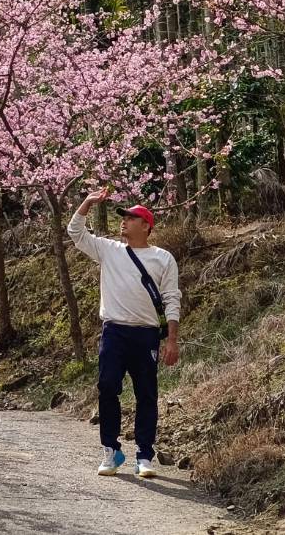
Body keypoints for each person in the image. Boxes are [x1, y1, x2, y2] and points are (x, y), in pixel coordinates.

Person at [68, 188, 182, 480]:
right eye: (123, 218)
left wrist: (171, 339)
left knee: (146, 394)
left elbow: (172, 298)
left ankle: (144, 455)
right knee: (107, 386)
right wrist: (88, 203)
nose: (124, 222)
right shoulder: (110, 250)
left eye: (131, 218)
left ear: (146, 226)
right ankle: (111, 450)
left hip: (145, 335)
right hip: (114, 331)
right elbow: (75, 233)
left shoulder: (163, 258)